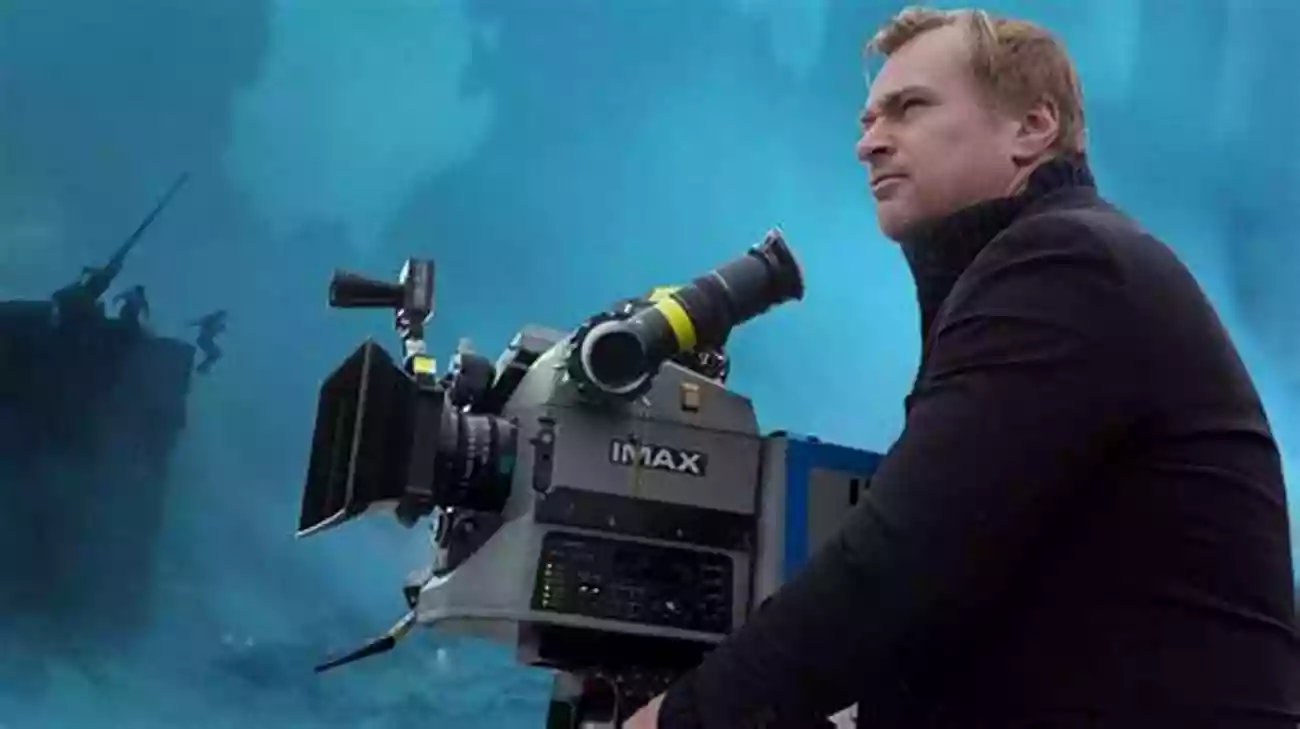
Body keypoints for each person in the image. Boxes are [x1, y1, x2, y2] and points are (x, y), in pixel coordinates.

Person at [625, 7, 1299, 728]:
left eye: (909, 107)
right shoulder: (1047, 269)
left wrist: (677, 720)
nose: (868, 143)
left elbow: (898, 566)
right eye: (867, 120)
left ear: (1031, 128)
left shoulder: (1066, 265)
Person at [188, 309, 227, 375]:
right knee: (215, 353)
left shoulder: (218, 323)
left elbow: (218, 329)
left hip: (208, 341)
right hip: (203, 340)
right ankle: (201, 367)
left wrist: (222, 328)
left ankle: (203, 367)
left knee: (217, 353)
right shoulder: (210, 319)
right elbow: (200, 322)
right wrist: (191, 323)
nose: (221, 319)